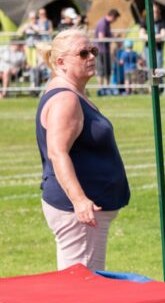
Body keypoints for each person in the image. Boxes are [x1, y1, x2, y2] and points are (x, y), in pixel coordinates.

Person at [34, 29, 131, 270]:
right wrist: (79, 200)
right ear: (61, 62)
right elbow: (57, 152)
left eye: (94, 51)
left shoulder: (74, 94)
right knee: (82, 287)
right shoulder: (66, 99)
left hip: (85, 212)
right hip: (79, 213)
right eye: (83, 53)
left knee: (85, 283)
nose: (91, 57)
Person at [93, 9, 120, 96]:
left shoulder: (107, 24)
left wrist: (113, 36)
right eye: (115, 19)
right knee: (101, 71)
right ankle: (101, 89)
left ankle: (107, 88)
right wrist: (113, 39)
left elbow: (107, 35)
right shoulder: (103, 23)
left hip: (105, 50)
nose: (115, 21)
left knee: (108, 71)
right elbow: (101, 38)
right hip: (100, 51)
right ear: (112, 16)